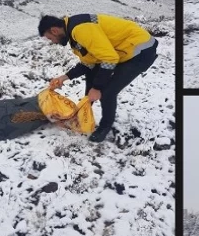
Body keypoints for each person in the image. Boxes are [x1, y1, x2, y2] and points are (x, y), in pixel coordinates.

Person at [38, 13, 158, 142]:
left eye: (50, 38)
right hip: (121, 50)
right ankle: (84, 113)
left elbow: (109, 58)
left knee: (107, 93)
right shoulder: (73, 33)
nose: (53, 42)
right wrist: (65, 77)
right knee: (92, 78)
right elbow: (89, 63)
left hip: (140, 51)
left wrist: (97, 87)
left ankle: (105, 127)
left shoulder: (80, 30)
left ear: (54, 31)